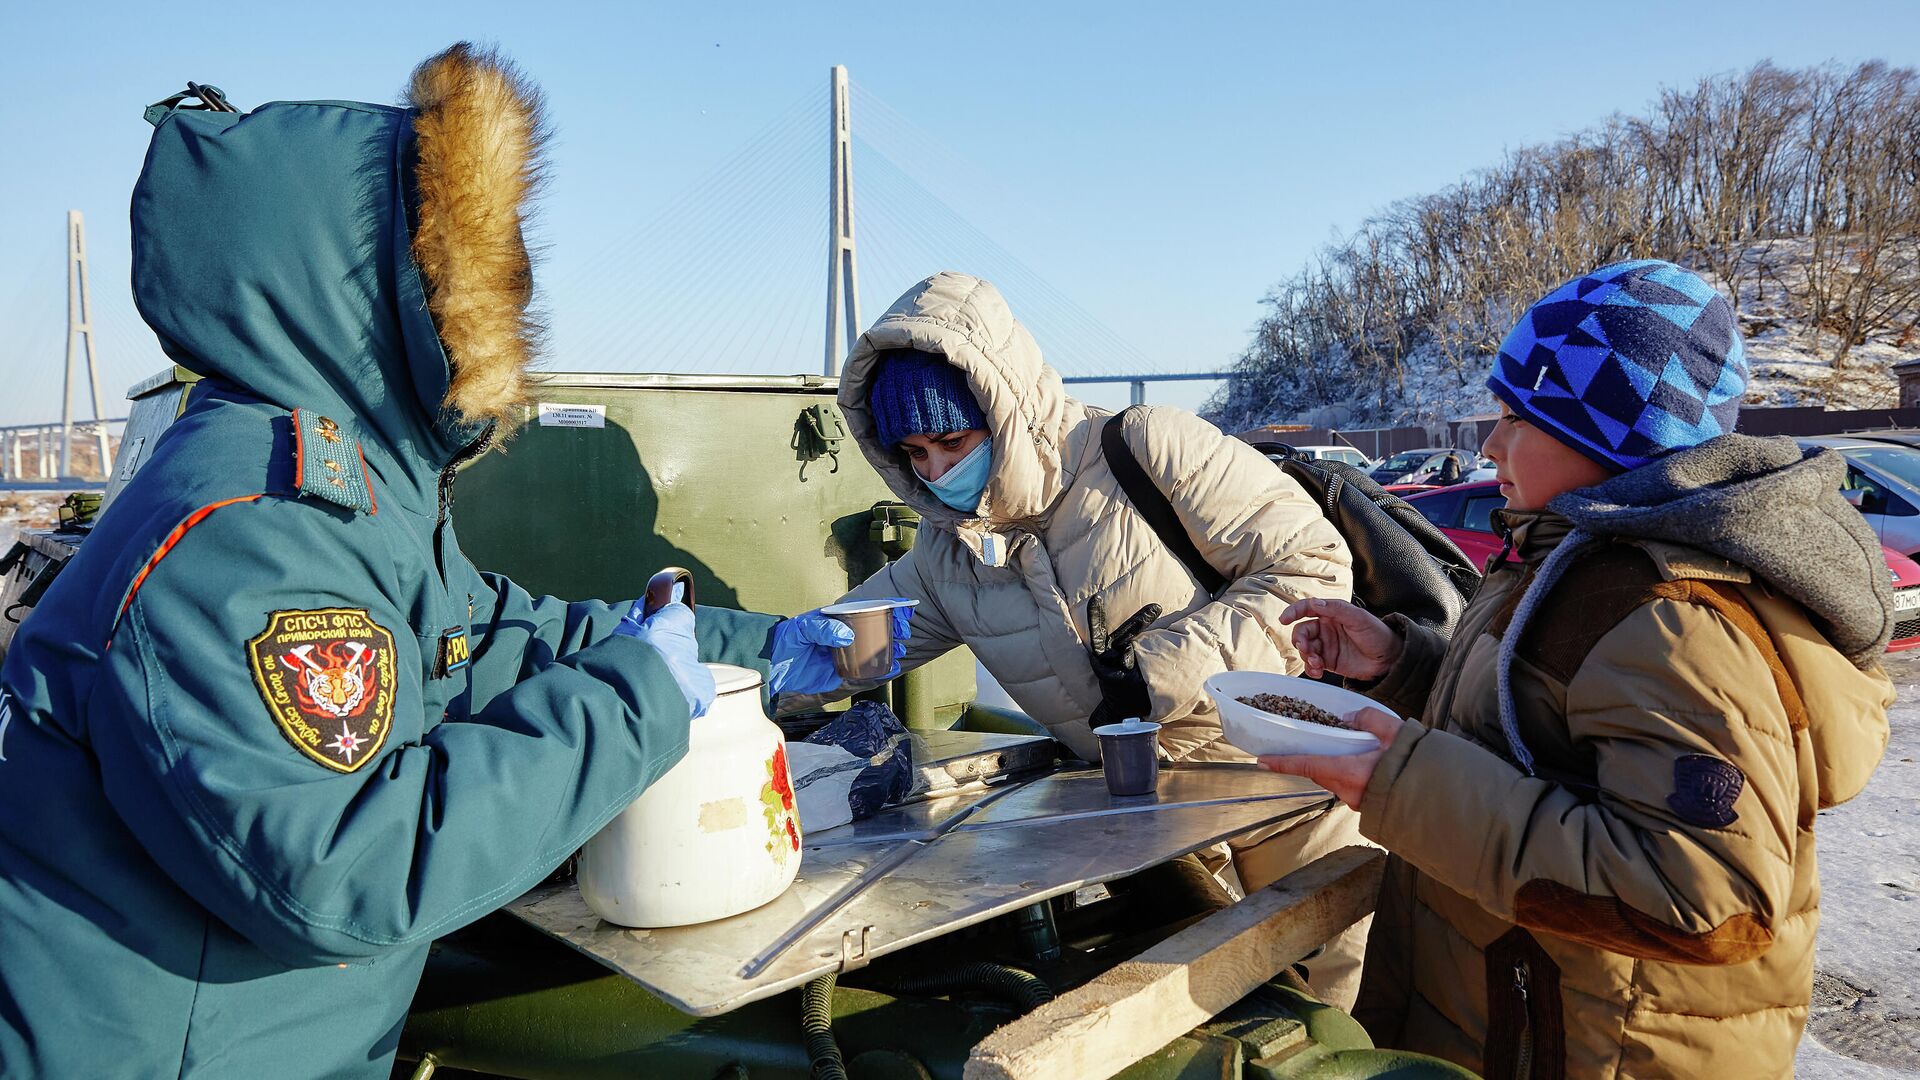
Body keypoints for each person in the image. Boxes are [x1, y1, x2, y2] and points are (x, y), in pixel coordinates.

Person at [0, 46, 817, 1079]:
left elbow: (494, 638)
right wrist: (637, 699)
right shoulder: (247, 532)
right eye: (467, 276)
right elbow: (347, 870)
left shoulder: (352, 499)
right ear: (370, 289)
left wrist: (760, 652)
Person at [1262, 259, 1894, 1077]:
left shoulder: (1672, 617)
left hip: (1598, 1052)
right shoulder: (1568, 557)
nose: (1488, 445)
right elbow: (1539, 732)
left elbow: (1706, 897)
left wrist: (1397, 779)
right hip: (1518, 1021)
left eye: (1514, 418)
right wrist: (1402, 668)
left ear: (1613, 438)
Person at [776, 270, 1374, 1005]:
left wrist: (1158, 675)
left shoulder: (1143, 448)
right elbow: (845, 644)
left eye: (950, 440)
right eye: (913, 455)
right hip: (1160, 829)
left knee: (1333, 1013)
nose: (935, 471)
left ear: (1005, 408)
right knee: (1233, 1020)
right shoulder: (945, 555)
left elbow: (1310, 568)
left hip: (1284, 785)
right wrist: (756, 671)